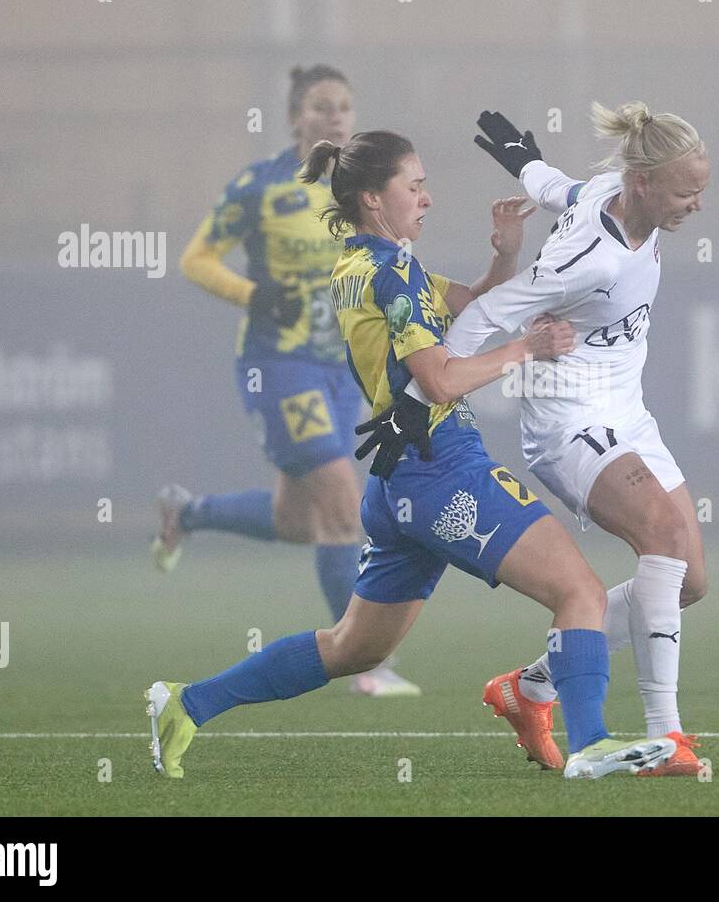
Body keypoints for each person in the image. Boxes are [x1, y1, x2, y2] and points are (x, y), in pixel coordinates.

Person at [145, 129, 676, 780]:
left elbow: (470, 306)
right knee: (581, 590)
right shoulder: (393, 271)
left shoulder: (362, 263)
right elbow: (442, 380)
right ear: (373, 197)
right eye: (414, 186)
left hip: (396, 481)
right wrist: (526, 350)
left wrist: (504, 256)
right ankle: (591, 743)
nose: (427, 198)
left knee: (349, 647)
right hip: (441, 465)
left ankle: (186, 704)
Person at [398, 103, 712, 775]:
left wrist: (521, 158)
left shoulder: (613, 195)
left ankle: (531, 686)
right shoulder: (584, 259)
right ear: (645, 185)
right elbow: (488, 310)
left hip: (627, 411)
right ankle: (668, 738)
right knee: (663, 534)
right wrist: (431, 391)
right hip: (568, 417)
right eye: (687, 192)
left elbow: (560, 188)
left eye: (701, 191)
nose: (696, 205)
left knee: (689, 580)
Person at [152, 65, 416, 695]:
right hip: (276, 365)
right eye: (322, 107)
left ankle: (187, 512)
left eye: (345, 107)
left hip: (338, 370)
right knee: (340, 503)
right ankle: (364, 659)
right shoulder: (261, 187)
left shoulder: (364, 193)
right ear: (296, 117)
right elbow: (195, 259)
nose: (336, 118)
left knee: (297, 521)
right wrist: (254, 295)